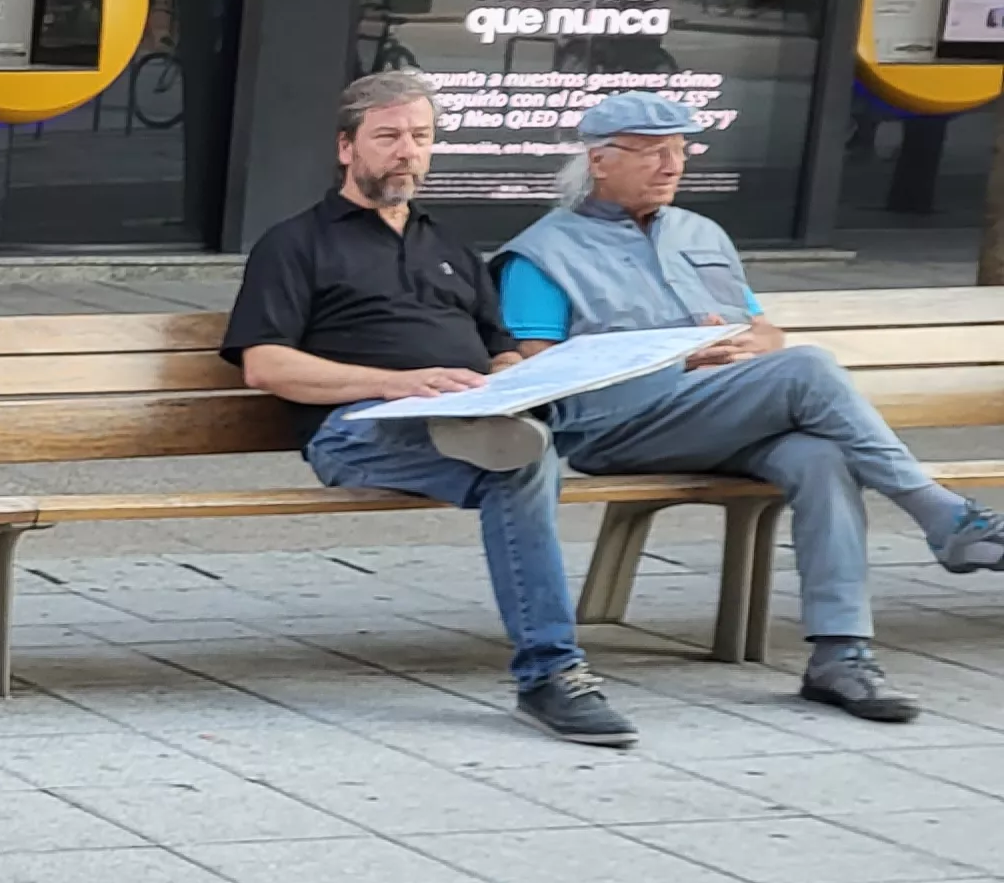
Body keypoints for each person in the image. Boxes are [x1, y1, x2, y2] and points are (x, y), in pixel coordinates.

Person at [498, 92, 1004, 721]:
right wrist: (673, 359)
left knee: (820, 456)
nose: (672, 165)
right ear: (599, 161)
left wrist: (746, 344)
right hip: (616, 427)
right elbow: (541, 376)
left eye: (681, 150)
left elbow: (768, 336)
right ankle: (942, 514)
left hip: (726, 410)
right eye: (654, 151)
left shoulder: (701, 233)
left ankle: (840, 656)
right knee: (809, 368)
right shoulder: (540, 253)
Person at [225, 70, 634, 747]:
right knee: (522, 464)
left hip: (475, 420)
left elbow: (500, 347)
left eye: (420, 137)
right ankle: (552, 675)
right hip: (357, 431)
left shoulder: (447, 244)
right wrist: (391, 384)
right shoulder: (296, 244)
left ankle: (551, 668)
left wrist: (513, 379)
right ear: (346, 148)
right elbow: (265, 366)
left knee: (524, 453)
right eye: (387, 137)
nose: (406, 151)